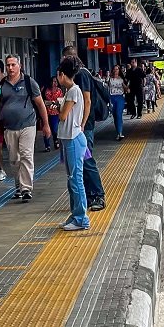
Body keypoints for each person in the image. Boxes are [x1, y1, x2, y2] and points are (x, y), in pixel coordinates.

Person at [0, 55, 51, 201]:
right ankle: (18, 187)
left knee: (26, 156)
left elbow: (41, 104)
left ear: (19, 65)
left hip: (28, 125)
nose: (10, 68)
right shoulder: (1, 85)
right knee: (14, 159)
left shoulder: (29, 82)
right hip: (9, 127)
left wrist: (46, 124)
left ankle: (26, 189)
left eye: (13, 65)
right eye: (8, 65)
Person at [68, 46, 106, 211]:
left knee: (86, 160)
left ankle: (98, 195)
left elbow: (87, 100)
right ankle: (90, 196)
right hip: (82, 125)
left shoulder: (82, 74)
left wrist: (83, 123)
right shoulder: (81, 74)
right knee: (82, 162)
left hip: (85, 126)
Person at [57, 58, 90, 231]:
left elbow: (63, 116)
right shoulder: (72, 91)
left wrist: (57, 106)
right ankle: (75, 214)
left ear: (62, 74)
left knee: (76, 180)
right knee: (72, 181)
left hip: (73, 139)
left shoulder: (72, 91)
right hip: (70, 138)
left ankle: (81, 219)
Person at [42, 77, 64, 152]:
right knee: (46, 128)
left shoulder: (59, 90)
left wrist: (52, 102)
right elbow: (44, 102)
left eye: (56, 82)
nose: (54, 83)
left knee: (55, 129)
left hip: (56, 113)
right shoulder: (46, 90)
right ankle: (47, 145)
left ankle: (56, 141)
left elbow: (60, 101)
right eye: (53, 81)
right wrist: (54, 102)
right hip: (46, 113)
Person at [108, 65, 127, 140]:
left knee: (119, 114)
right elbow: (107, 88)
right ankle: (118, 132)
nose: (116, 71)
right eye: (114, 69)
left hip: (120, 97)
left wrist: (127, 88)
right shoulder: (109, 79)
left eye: (117, 69)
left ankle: (120, 133)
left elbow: (125, 87)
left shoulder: (121, 79)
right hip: (112, 98)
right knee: (115, 116)